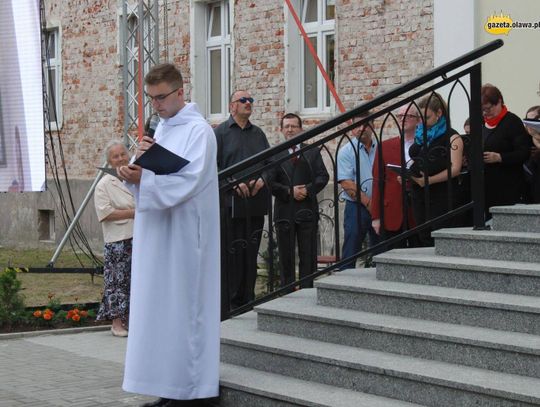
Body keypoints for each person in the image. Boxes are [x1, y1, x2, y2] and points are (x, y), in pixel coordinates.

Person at [118, 63, 220, 407]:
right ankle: (166, 388)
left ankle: (191, 391)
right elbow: (147, 177)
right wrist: (132, 171)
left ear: (180, 92)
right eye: (151, 99)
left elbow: (189, 181)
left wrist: (144, 180)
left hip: (185, 236)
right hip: (158, 233)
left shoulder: (199, 132)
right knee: (159, 310)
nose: (156, 105)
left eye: (161, 98)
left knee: (183, 310)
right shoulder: (160, 129)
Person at [214, 90, 270, 314]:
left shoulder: (258, 134)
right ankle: (230, 303)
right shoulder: (220, 133)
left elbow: (271, 161)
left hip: (254, 203)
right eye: (243, 100)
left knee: (251, 252)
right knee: (231, 255)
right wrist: (233, 182)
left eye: (251, 100)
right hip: (230, 203)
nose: (248, 104)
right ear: (232, 106)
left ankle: (248, 299)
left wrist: (262, 180)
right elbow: (213, 166)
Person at [271, 113, 329, 289]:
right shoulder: (274, 154)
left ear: (300, 129)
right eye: (287, 126)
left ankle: (307, 290)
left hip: (306, 209)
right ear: (281, 130)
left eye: (293, 126)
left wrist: (308, 189)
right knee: (286, 257)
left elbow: (323, 176)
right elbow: (270, 182)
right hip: (284, 210)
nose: (290, 129)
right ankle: (287, 291)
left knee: (308, 255)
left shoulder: (311, 151)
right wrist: (289, 191)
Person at [408, 93, 463, 247]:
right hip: (420, 193)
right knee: (423, 235)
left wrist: (428, 180)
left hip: (441, 194)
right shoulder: (421, 135)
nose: (422, 122)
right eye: (420, 118)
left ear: (439, 113)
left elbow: (455, 168)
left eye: (427, 118)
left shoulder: (452, 137)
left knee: (441, 235)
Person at [94, 141, 135, 337]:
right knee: (117, 283)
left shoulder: (136, 178)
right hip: (118, 241)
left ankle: (133, 321)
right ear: (109, 161)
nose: (120, 159)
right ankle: (117, 324)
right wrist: (133, 212)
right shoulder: (103, 185)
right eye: (115, 157)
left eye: (122, 154)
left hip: (139, 237)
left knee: (136, 281)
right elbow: (105, 213)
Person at [370, 104, 419, 248]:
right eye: (400, 116)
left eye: (408, 116)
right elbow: (377, 182)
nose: (403, 119)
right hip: (392, 211)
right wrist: (376, 217)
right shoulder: (385, 146)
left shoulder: (424, 144)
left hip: (418, 209)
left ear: (418, 120)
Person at [481, 84, 531, 217]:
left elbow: (524, 152)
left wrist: (500, 157)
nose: (485, 113)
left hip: (508, 185)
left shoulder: (512, 122)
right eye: (482, 110)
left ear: (499, 102)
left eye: (488, 108)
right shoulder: (481, 123)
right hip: (486, 185)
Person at [337, 111, 378, 269]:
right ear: (352, 129)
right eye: (357, 125)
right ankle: (344, 286)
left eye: (365, 124)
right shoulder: (345, 152)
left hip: (379, 206)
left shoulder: (380, 148)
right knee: (351, 249)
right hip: (356, 207)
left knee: (381, 250)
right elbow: (347, 183)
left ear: (373, 126)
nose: (361, 129)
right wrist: (369, 203)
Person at [523, 105, 540, 203]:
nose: (530, 124)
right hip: (531, 191)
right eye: (528, 121)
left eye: (534, 120)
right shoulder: (525, 140)